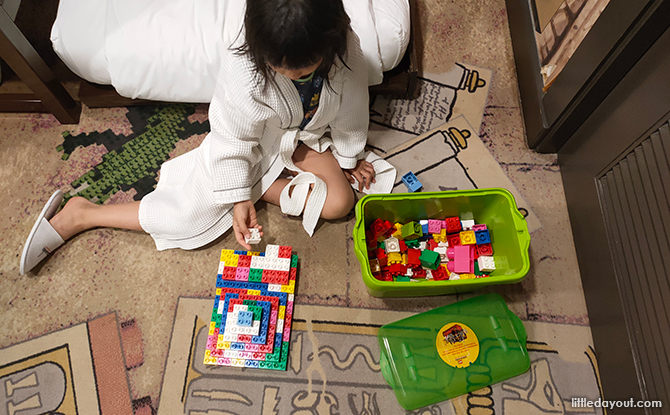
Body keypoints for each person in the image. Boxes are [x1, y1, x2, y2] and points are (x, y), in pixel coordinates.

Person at [20, 0, 390, 275]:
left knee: (341, 202)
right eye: (280, 67)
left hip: (307, 135)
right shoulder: (243, 68)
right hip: (257, 143)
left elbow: (353, 108)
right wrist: (237, 196)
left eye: (302, 69)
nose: (291, 74)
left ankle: (271, 184)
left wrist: (349, 157)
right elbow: (232, 137)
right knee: (186, 216)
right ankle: (85, 214)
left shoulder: (347, 51)